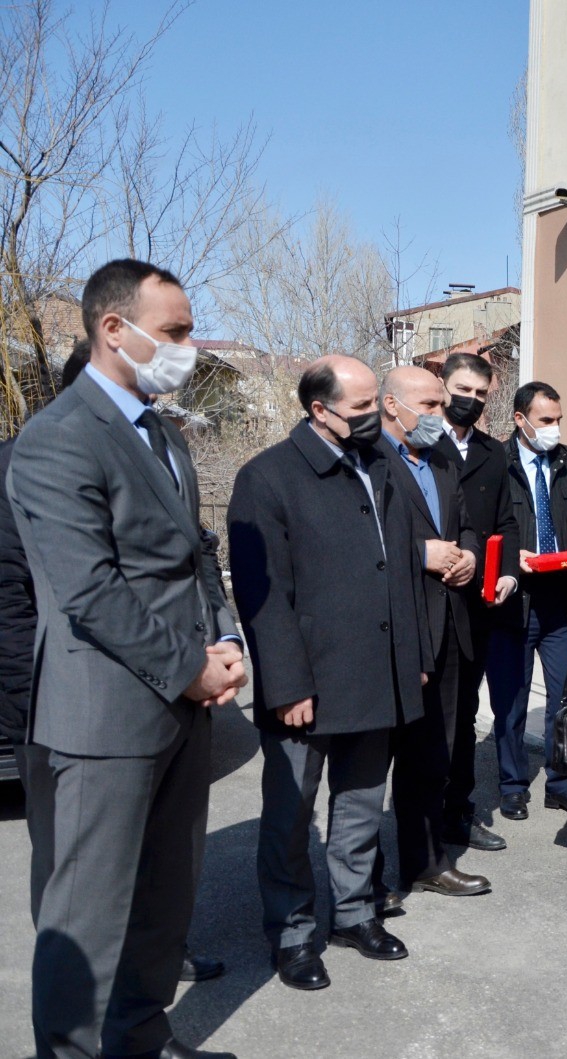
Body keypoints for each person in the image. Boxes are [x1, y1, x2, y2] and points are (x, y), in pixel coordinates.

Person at [8, 259, 247, 1059]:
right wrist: (189, 664)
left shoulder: (164, 431)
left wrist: (227, 639)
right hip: (103, 719)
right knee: (86, 921)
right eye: (175, 331)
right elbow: (90, 590)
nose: (186, 345)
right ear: (115, 329)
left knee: (164, 903)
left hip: (185, 707)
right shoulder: (57, 439)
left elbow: (196, 555)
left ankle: (144, 1038)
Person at [228, 355, 429, 992]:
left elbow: (398, 570)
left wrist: (414, 657)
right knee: (291, 815)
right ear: (320, 411)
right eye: (363, 408)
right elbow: (263, 594)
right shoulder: (267, 478)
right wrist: (286, 685)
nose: (376, 417)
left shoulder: (379, 467)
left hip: (377, 671)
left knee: (362, 806)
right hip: (306, 684)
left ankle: (353, 914)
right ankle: (291, 934)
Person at [373, 366, 490, 904]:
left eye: (443, 404)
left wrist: (465, 552)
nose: (441, 415)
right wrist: (421, 554)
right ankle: (369, 881)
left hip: (447, 626)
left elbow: (465, 521)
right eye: (431, 405)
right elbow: (355, 538)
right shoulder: (367, 460)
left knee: (432, 758)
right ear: (392, 405)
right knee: (374, 765)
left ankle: (426, 862)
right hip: (393, 629)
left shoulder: (442, 460)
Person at [485, 381, 567, 820]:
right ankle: (513, 785)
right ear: (520, 419)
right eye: (545, 420)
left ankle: (562, 782)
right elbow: (482, 525)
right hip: (515, 601)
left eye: (558, 420)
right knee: (510, 700)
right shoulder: (497, 461)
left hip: (563, 601)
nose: (553, 428)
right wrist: (512, 555)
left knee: (564, 698)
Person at [434, 353, 519, 852]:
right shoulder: (421, 447)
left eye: (481, 394)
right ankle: (422, 815)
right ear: (444, 386)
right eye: (463, 389)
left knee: (466, 711)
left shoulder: (493, 452)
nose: (471, 400)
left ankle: (459, 813)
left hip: (478, 603)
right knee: (429, 718)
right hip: (429, 597)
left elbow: (506, 521)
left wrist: (506, 572)